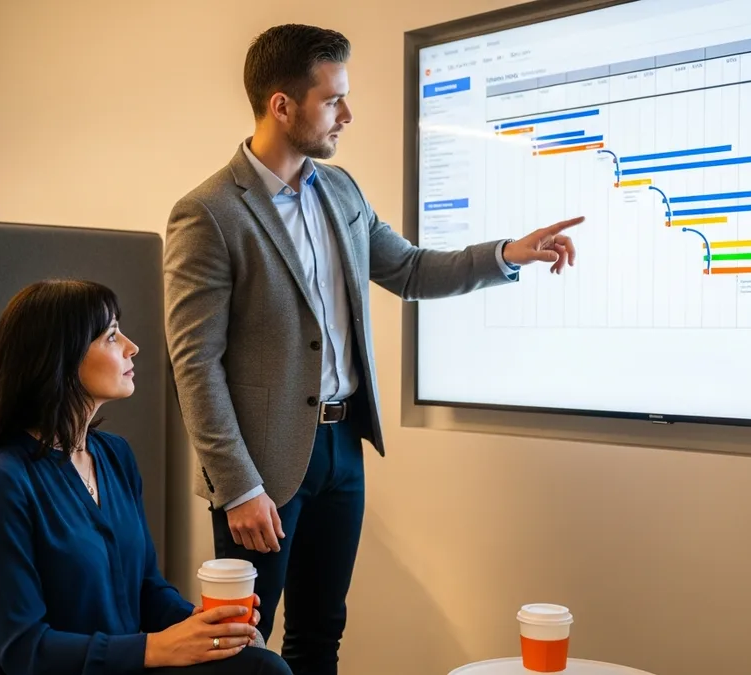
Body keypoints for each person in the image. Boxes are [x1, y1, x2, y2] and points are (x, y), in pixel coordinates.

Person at [163, 24, 581, 674]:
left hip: (341, 450)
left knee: (320, 633)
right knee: (241, 646)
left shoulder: (341, 190)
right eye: (334, 100)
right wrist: (238, 484)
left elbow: (411, 269)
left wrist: (508, 254)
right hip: (261, 468)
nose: (348, 116)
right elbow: (194, 363)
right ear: (282, 104)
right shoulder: (210, 212)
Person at [0, 279, 293, 675]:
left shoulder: (114, 456)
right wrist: (156, 648)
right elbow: (22, 651)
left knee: (261, 665)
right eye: (112, 335)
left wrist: (200, 622)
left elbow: (147, 590)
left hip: (123, 664)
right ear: (59, 358)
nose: (132, 347)